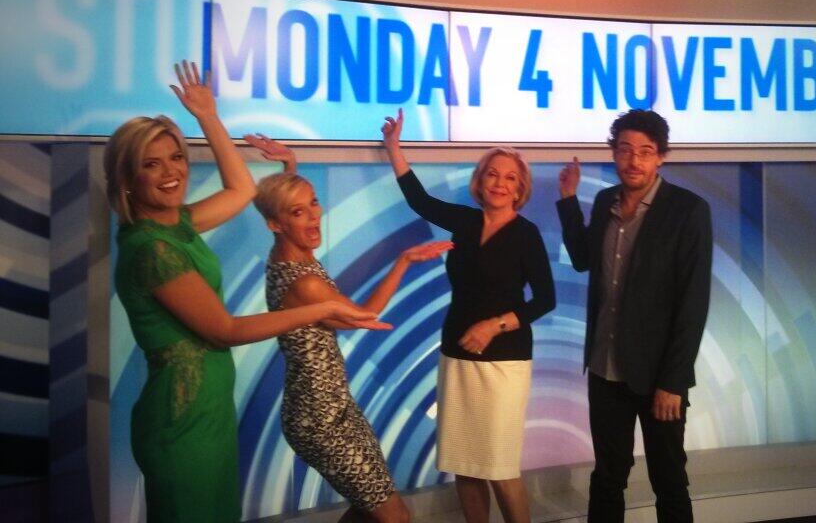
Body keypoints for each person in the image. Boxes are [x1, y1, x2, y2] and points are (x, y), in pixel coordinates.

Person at [107, 62, 387, 523]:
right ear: (126, 178)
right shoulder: (152, 249)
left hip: (209, 409)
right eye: (151, 164)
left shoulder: (176, 225)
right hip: (181, 416)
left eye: (176, 157)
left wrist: (208, 117)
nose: (171, 172)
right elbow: (226, 330)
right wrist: (320, 308)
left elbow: (241, 190)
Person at [245, 134, 453, 522]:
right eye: (299, 212)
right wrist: (404, 261)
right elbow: (365, 314)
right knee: (395, 516)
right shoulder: (305, 283)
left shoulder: (289, 254)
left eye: (313, 203)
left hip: (332, 406)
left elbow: (285, 210)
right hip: (320, 420)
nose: (313, 216)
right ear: (275, 224)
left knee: (369, 507)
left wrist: (290, 164)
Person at [380, 108, 556, 523]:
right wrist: (393, 147)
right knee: (465, 463)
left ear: (519, 189)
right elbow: (420, 200)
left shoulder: (527, 234)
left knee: (499, 467)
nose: (499, 183)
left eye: (509, 178)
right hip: (457, 354)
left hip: (505, 362)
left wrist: (494, 325)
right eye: (492, 174)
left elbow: (545, 299)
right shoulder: (464, 220)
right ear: (480, 180)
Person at [556, 109, 713, 523]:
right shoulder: (605, 200)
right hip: (605, 369)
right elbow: (583, 259)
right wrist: (569, 200)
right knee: (608, 477)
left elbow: (693, 302)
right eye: (625, 149)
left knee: (669, 480)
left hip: (658, 376)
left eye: (645, 151)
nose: (634, 160)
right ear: (614, 153)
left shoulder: (688, 210)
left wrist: (673, 382)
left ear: (660, 156)